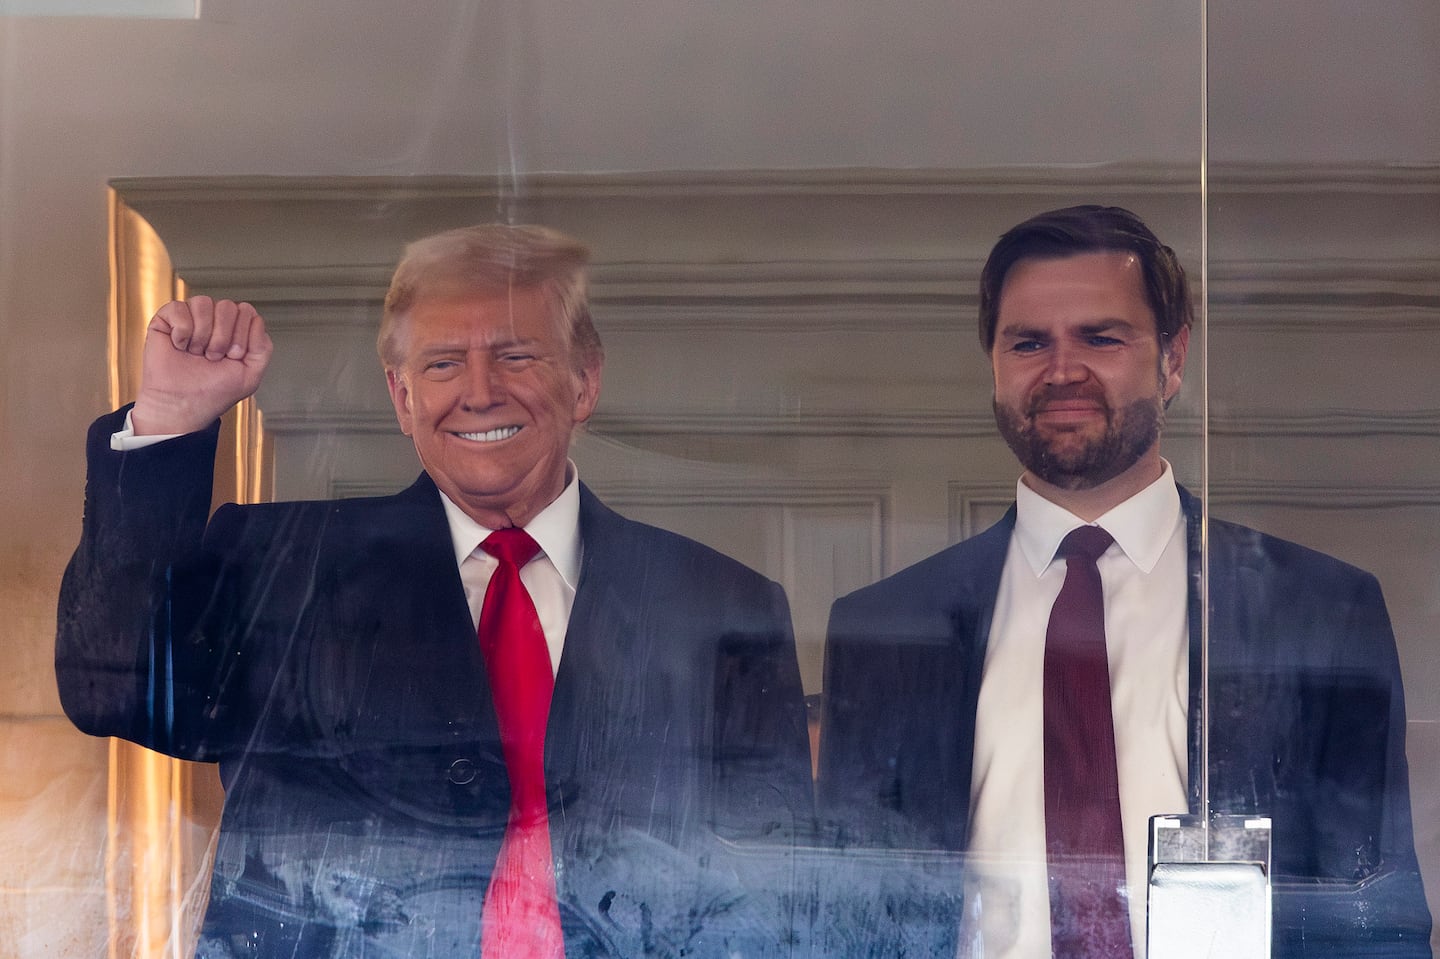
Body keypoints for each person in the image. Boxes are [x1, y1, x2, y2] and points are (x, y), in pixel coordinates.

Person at [57, 224, 813, 958]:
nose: (479, 392)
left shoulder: (726, 606)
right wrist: (170, 423)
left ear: (584, 382)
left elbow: (778, 894)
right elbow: (112, 687)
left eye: (516, 355)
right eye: (444, 364)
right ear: (402, 396)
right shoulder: (285, 565)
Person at [815, 205, 1432, 958]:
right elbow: (839, 923)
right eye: (1028, 342)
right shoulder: (881, 629)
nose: (1062, 368)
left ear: (1173, 360)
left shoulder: (1320, 610)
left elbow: (1375, 921)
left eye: (1100, 337)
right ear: (995, 366)